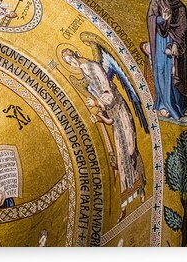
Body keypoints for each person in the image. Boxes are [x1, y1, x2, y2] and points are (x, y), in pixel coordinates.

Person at [61, 48, 147, 222]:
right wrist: (100, 115)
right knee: (122, 160)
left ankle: (143, 187)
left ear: (75, 55)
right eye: (67, 61)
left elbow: (108, 91)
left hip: (120, 111)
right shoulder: (85, 72)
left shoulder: (92, 67)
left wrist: (97, 102)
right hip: (114, 117)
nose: (70, 63)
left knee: (131, 150)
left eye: (70, 59)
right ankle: (126, 202)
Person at [146, 0, 187, 120]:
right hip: (160, 40)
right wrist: (161, 19)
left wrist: (177, 43)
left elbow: (183, 27)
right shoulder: (156, 0)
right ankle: (164, 104)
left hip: (175, 42)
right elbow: (151, 19)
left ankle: (179, 104)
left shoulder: (181, 7)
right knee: (162, 70)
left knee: (175, 72)